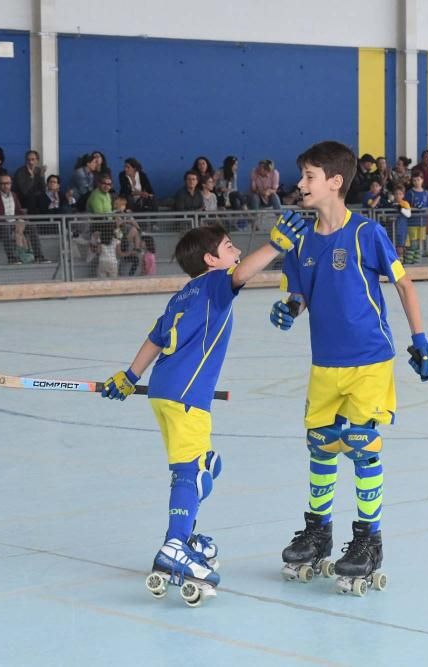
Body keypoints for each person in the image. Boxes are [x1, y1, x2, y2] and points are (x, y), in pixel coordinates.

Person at [99, 215, 308, 601]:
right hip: (186, 396)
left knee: (207, 466)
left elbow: (155, 338)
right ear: (211, 260)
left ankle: (182, 536)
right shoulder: (215, 285)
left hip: (164, 390)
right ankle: (175, 546)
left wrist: (129, 375)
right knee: (191, 472)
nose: (237, 252)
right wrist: (276, 245)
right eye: (229, 247)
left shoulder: (183, 294)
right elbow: (242, 273)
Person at [270, 141, 428, 594]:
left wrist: (420, 340)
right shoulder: (300, 241)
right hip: (325, 362)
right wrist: (289, 309)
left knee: (362, 444)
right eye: (301, 176)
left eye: (309, 176)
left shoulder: (367, 234)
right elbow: (299, 294)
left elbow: (404, 287)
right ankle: (318, 530)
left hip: (369, 359)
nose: (300, 184)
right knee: (321, 445)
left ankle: (368, 539)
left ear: (335, 182)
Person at [0, 174, 49, 264]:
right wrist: (15, 225)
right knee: (6, 227)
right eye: (3, 183)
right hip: (0, 225)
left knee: (31, 226)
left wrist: (21, 221)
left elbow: (18, 211)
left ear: (11, 184)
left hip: (14, 223)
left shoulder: (14, 195)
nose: (5, 186)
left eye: (8, 183)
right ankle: (12, 258)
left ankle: (39, 256)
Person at [402, 173, 428, 263]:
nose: (416, 182)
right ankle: (410, 261)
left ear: (422, 180)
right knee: (413, 243)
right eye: (414, 180)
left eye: (418, 180)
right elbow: (406, 205)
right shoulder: (410, 192)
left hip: (422, 222)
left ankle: (417, 261)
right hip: (412, 222)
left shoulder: (426, 193)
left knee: (420, 243)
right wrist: (413, 207)